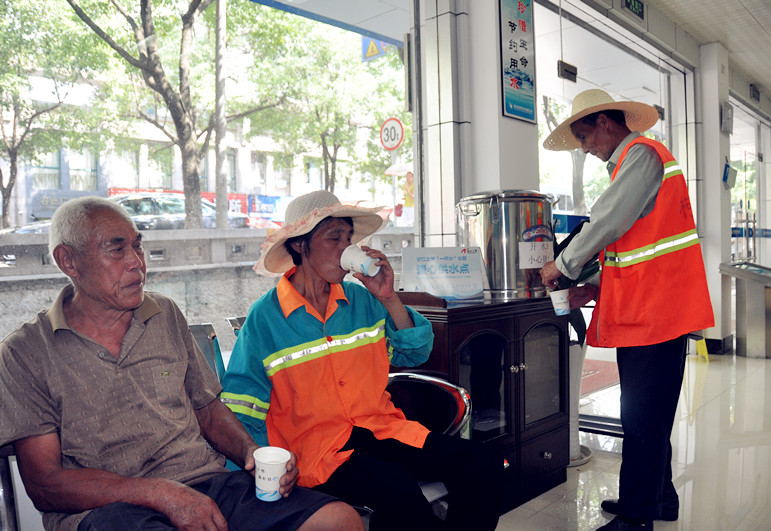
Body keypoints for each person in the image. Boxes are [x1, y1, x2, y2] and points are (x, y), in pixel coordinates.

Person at [0, 196, 361, 531]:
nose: (137, 262)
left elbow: (207, 410)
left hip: (207, 483)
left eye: (138, 245)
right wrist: (161, 493)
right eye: (117, 249)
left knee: (339, 520)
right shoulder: (25, 352)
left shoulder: (164, 314)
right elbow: (46, 485)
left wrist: (251, 452)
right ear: (68, 261)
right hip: (109, 508)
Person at [221, 190, 501, 531]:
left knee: (484, 464)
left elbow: (416, 351)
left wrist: (388, 298)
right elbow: (242, 405)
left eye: (348, 238)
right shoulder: (265, 318)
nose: (346, 248)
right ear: (299, 245)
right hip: (317, 449)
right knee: (400, 494)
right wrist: (263, 469)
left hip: (379, 428)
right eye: (334, 238)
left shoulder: (361, 300)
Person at [540, 89, 714, 531]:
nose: (585, 148)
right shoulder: (632, 164)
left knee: (641, 419)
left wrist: (562, 265)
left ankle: (637, 518)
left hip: (657, 313)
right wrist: (590, 288)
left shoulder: (642, 155)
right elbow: (631, 252)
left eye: (584, 136)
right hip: (648, 311)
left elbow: (608, 222)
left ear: (604, 121)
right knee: (648, 414)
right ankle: (660, 499)